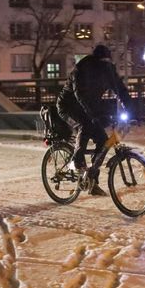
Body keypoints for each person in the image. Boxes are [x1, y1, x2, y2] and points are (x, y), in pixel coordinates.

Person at [57, 44, 133, 196]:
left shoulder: (108, 70)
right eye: (102, 63)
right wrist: (94, 115)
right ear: (96, 61)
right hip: (69, 106)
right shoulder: (82, 69)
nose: (104, 66)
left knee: (103, 140)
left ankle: (92, 180)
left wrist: (133, 110)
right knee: (84, 125)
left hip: (89, 107)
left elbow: (121, 90)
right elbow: (81, 95)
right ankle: (77, 161)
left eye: (107, 63)